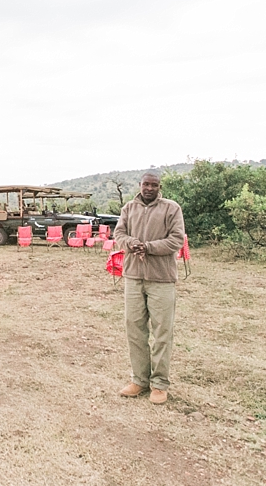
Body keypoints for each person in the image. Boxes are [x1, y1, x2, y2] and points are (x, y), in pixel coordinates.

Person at [113, 172, 185, 405]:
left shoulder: (171, 208)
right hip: (133, 276)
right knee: (134, 329)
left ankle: (160, 384)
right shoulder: (128, 208)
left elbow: (176, 240)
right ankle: (140, 380)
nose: (149, 188)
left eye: (154, 185)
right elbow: (119, 234)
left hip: (161, 278)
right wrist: (131, 243)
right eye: (146, 184)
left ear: (159, 187)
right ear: (140, 185)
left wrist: (149, 247)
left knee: (162, 331)